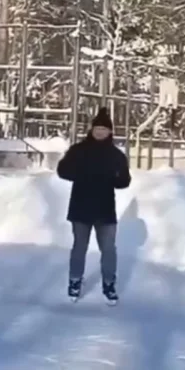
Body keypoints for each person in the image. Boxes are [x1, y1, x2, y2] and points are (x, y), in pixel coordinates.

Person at [57, 108, 131, 304]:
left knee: (109, 249)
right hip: (80, 207)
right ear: (91, 130)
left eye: (104, 129)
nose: (100, 132)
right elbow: (62, 170)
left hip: (105, 209)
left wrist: (117, 177)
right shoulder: (78, 150)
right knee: (79, 247)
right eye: (97, 128)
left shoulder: (116, 156)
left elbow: (124, 181)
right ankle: (74, 281)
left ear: (110, 132)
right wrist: (80, 173)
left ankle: (109, 283)